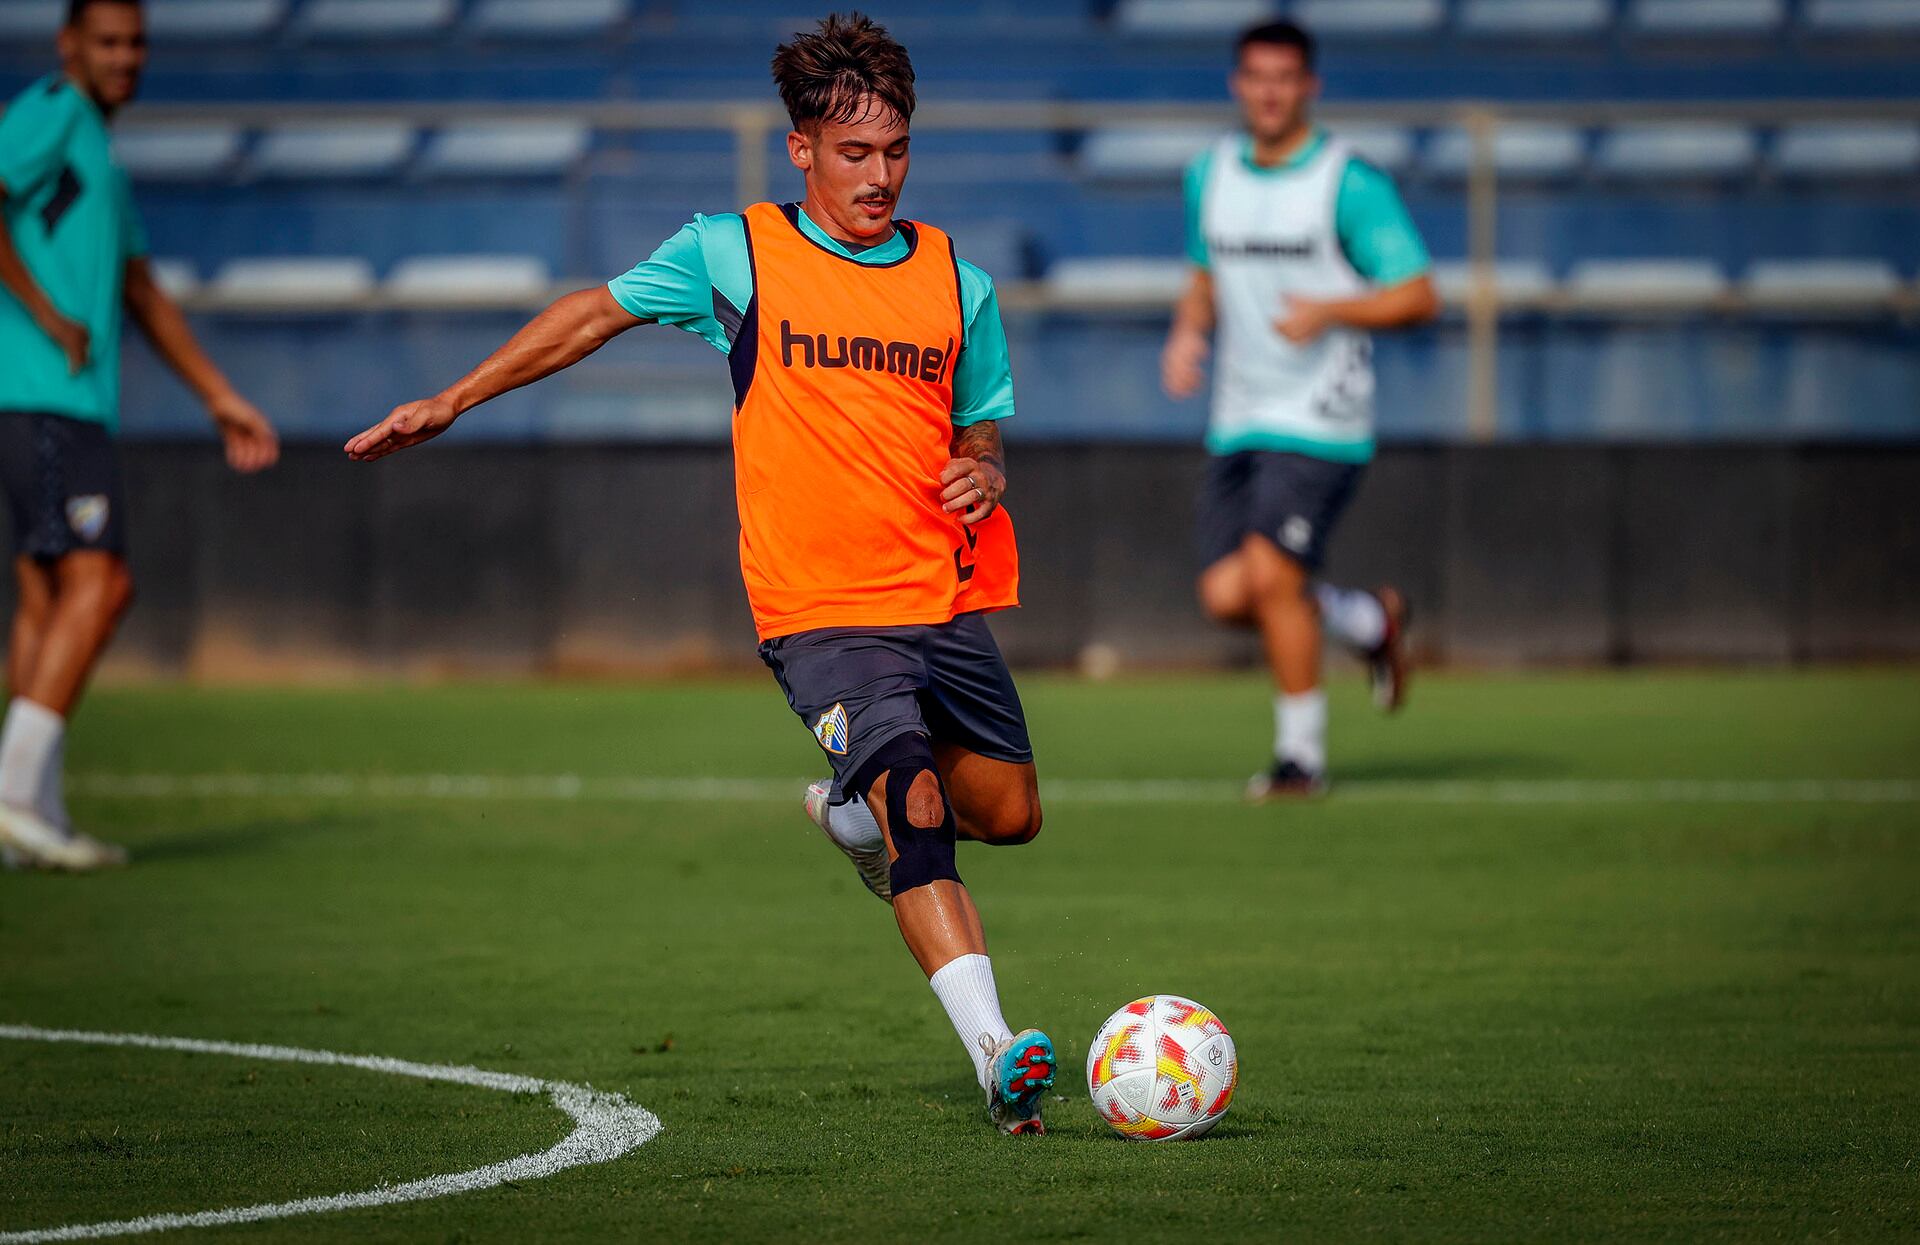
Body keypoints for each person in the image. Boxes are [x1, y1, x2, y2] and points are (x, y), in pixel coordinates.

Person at [345, 13, 1056, 1136]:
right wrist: (454, 398)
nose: (879, 175)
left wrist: (984, 473)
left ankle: (853, 821)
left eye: (897, 151)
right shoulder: (735, 250)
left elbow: (981, 434)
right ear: (802, 150)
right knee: (920, 803)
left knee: (1008, 815)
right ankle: (997, 1058)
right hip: (818, 612)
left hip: (939, 597)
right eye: (854, 152)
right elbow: (591, 315)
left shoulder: (953, 277)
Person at [0, 0, 280, 870]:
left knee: (50, 603)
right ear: (69, 44)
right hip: (46, 396)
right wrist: (47, 314)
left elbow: (141, 291)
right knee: (104, 584)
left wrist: (218, 394)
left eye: (136, 43)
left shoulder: (96, 150)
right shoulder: (51, 113)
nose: (126, 57)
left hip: (53, 402)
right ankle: (12, 797)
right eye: (109, 42)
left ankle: (34, 809)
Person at [1162, 18, 1438, 800]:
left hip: (1322, 413)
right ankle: (1365, 622)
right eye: (1258, 76)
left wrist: (1331, 310)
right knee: (1227, 594)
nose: (1271, 91)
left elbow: (1419, 292)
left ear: (1309, 86)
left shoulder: (1347, 181)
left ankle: (1299, 760)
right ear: (1237, 85)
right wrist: (1187, 334)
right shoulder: (1208, 174)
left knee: (1276, 580)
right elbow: (1202, 272)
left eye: (1286, 77)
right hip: (1239, 413)